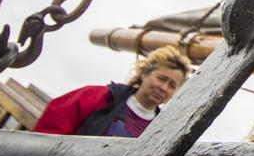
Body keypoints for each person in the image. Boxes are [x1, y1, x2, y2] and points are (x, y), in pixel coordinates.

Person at [33, 45, 192, 137]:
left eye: (172, 85)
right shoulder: (98, 97)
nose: (164, 88)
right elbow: (49, 132)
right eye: (161, 78)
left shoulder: (161, 132)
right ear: (144, 74)